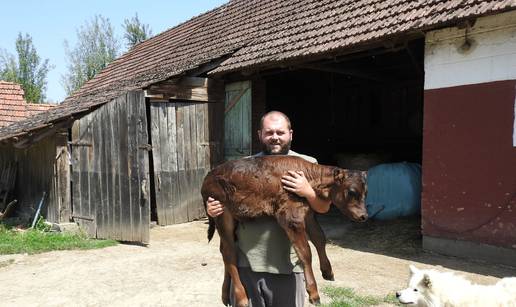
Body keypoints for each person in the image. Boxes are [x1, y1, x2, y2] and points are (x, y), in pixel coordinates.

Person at [206, 111, 331, 307]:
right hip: (246, 262)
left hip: (288, 266)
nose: (274, 137)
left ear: (291, 134)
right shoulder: (244, 167)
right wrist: (214, 210)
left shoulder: (309, 164)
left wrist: (307, 191)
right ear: (260, 135)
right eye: (269, 132)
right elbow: (227, 205)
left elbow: (323, 207)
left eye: (280, 132)